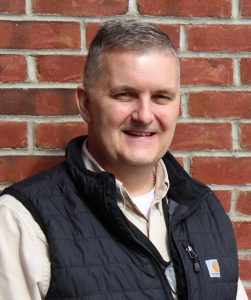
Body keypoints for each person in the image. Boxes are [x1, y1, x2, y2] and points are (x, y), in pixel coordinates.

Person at [0, 19, 248, 300]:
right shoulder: (22, 221)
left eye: (161, 97)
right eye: (125, 95)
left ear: (178, 105)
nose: (144, 115)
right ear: (85, 104)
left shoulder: (205, 210)